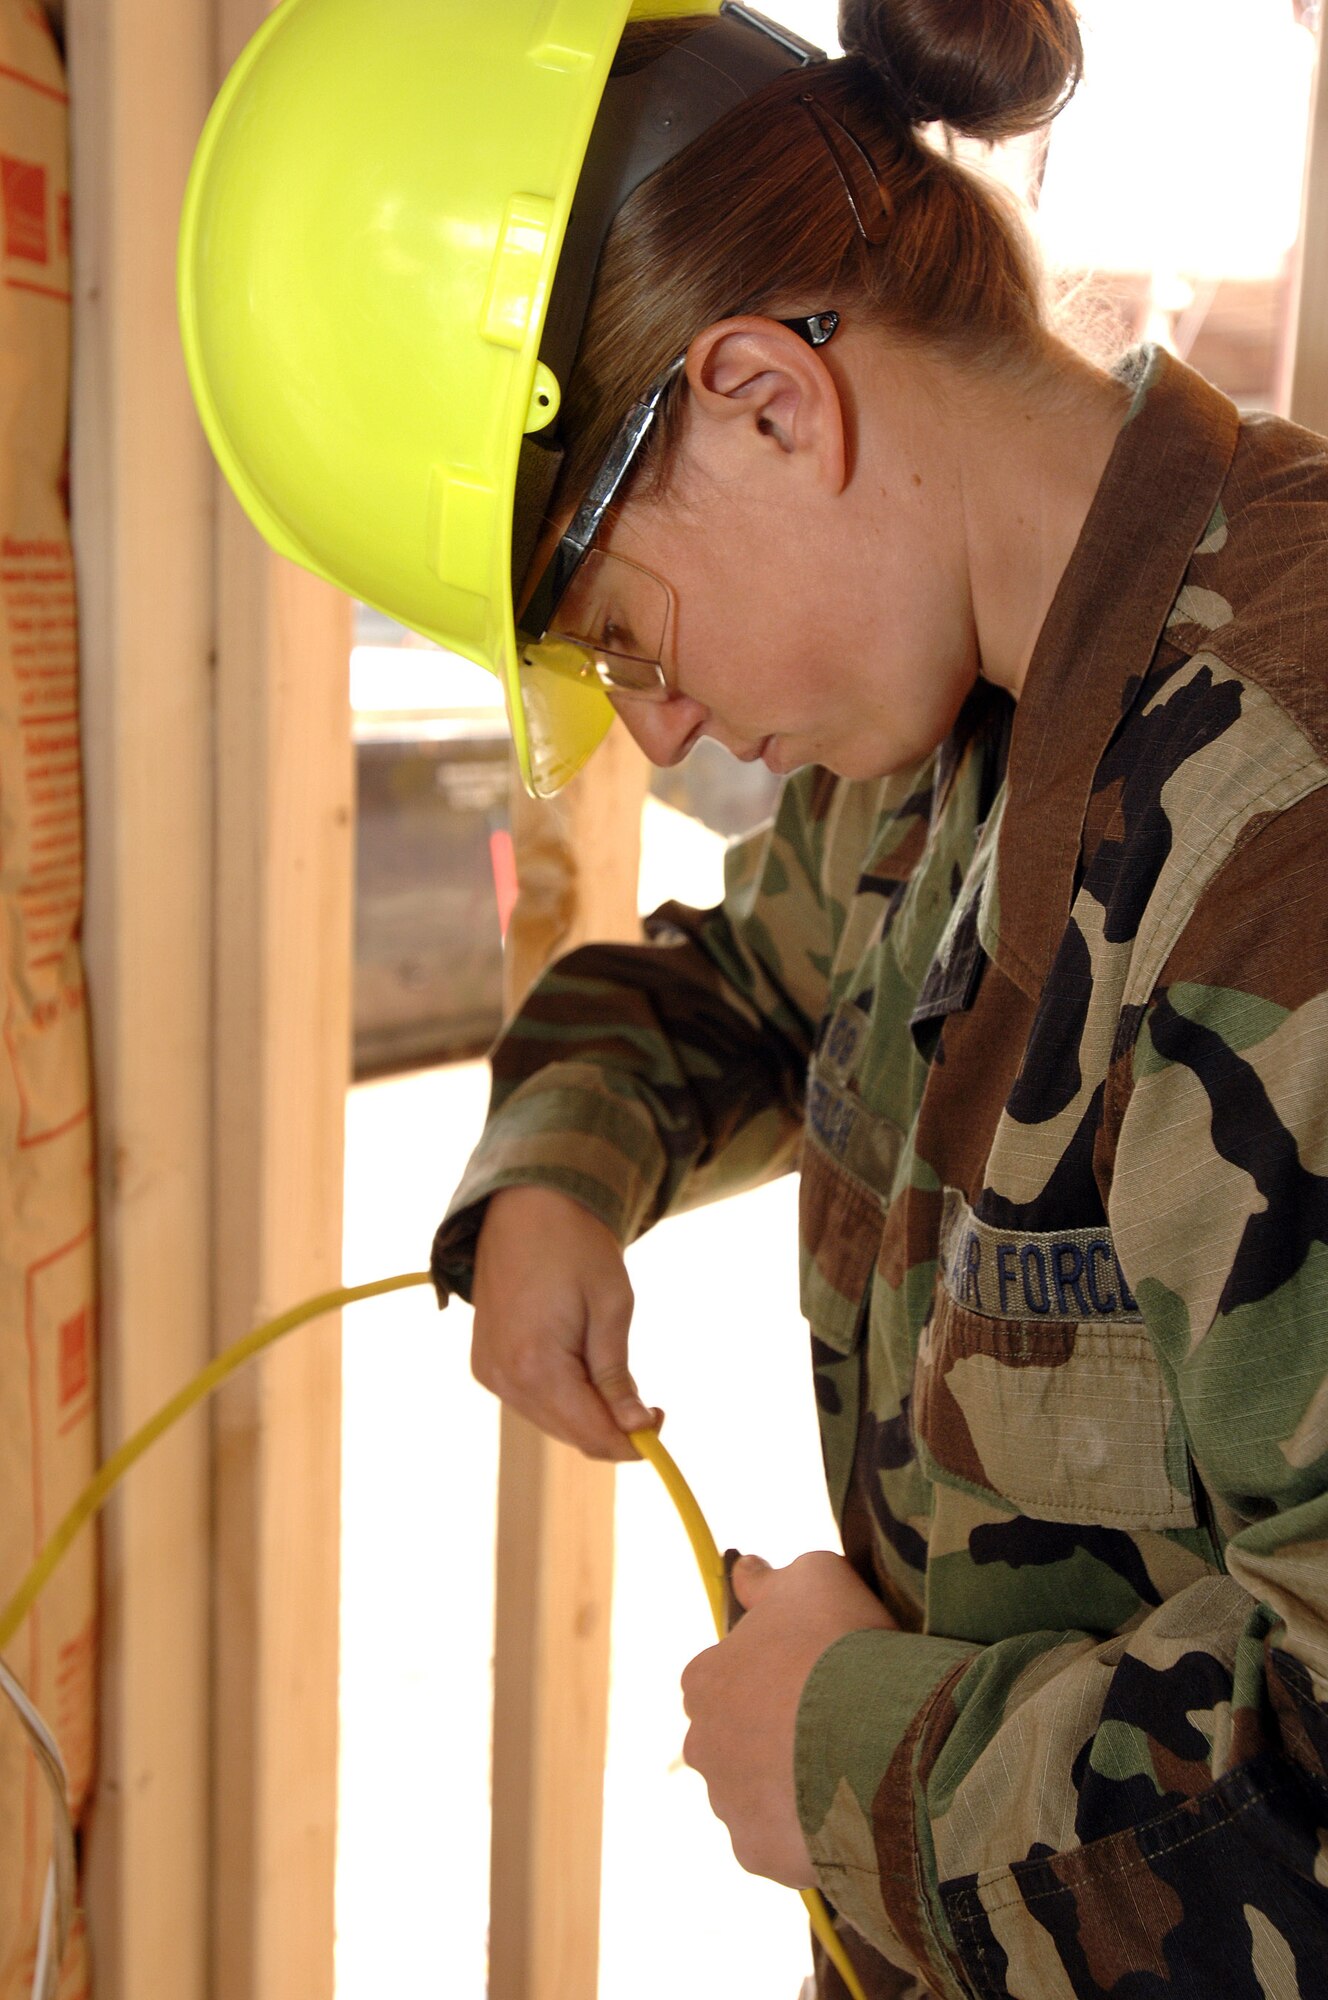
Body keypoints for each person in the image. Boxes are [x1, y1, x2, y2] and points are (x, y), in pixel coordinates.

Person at [181, 1, 1328, 1994]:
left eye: (624, 633)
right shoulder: (956, 725)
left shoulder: (1281, 815)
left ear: (767, 402)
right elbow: (726, 985)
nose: (666, 720)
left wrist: (852, 1766)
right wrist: (559, 1166)